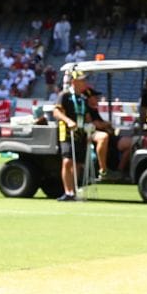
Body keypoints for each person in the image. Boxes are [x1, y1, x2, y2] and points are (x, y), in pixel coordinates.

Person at [51, 68, 91, 201]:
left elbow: (86, 116)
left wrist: (90, 127)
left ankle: (74, 191)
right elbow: (56, 112)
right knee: (67, 161)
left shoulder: (83, 98)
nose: (85, 82)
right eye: (82, 80)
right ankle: (68, 192)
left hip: (81, 134)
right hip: (67, 134)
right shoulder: (65, 95)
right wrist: (68, 121)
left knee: (78, 164)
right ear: (74, 82)